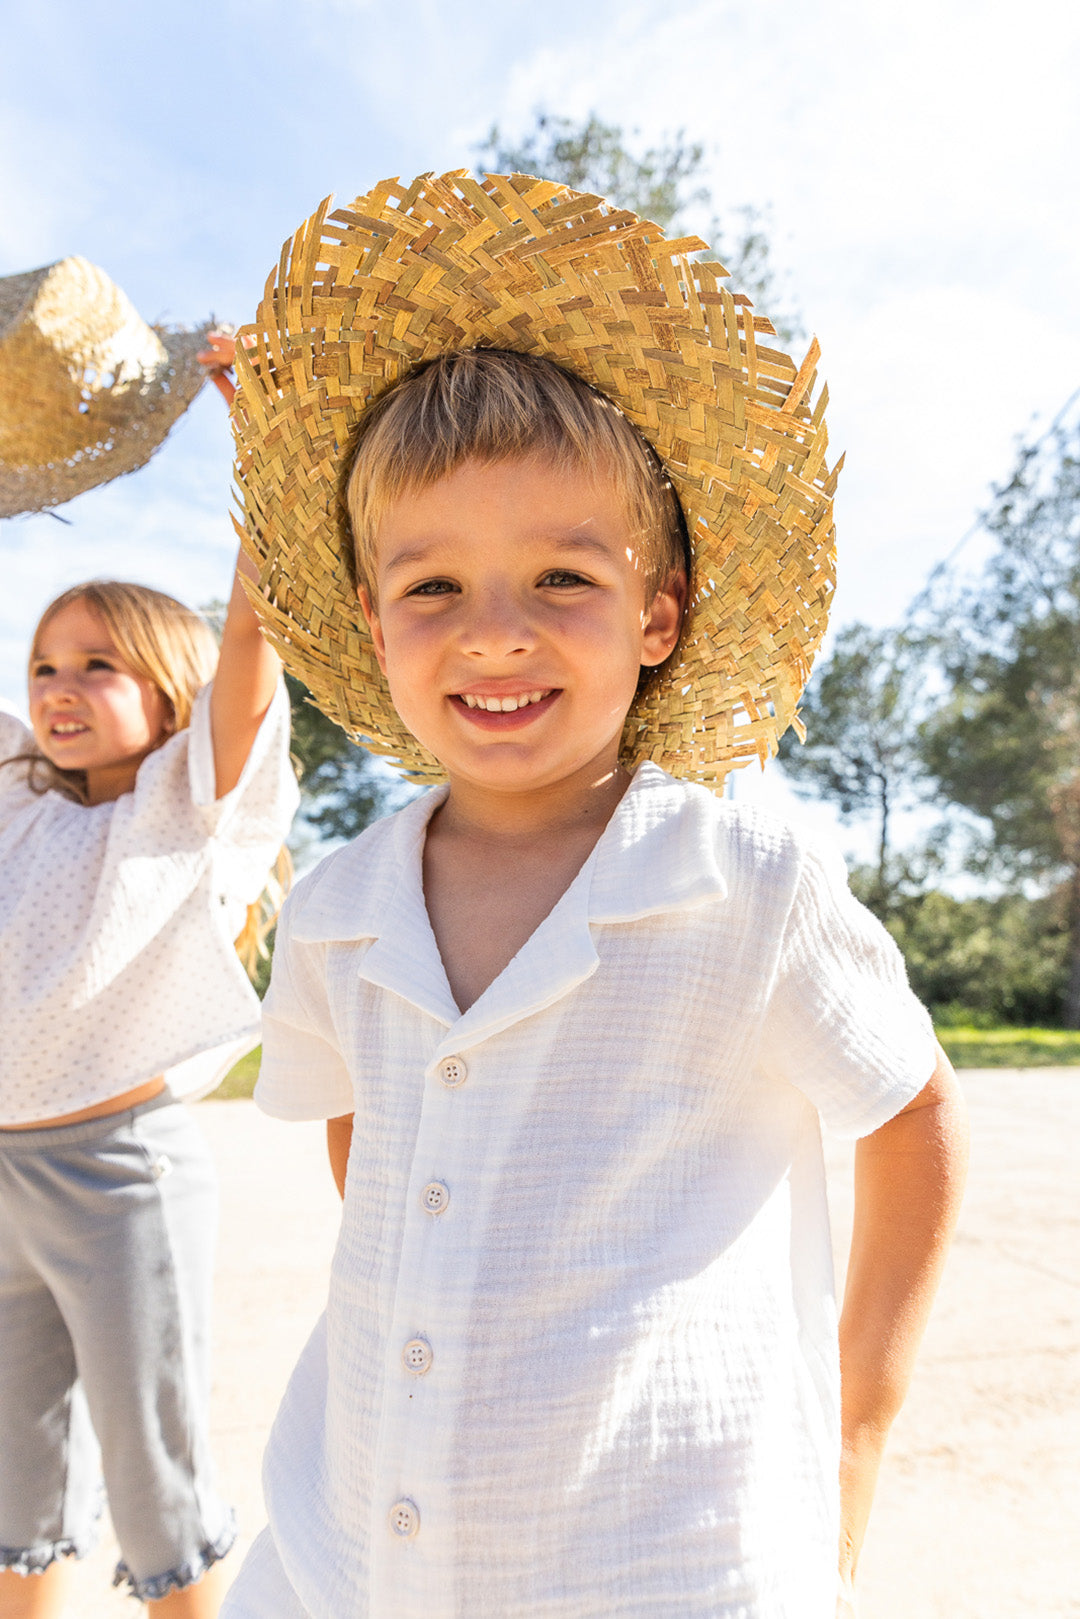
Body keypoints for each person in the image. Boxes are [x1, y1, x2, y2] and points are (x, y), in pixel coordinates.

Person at [221, 173, 968, 1619]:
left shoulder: (746, 886)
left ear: (659, 617)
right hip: (343, 1554)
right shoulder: (339, 906)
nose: (493, 632)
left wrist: (857, 1426)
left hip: (661, 1568)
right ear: (374, 628)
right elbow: (370, 1145)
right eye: (432, 587)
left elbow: (911, 1114)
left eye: (562, 574)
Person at [0, 551, 299, 1618]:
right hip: (4, 1181)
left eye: (96, 666)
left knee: (156, 1489)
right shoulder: (16, 795)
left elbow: (251, 650)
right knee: (17, 1488)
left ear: (172, 691)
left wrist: (259, 503)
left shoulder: (186, 804)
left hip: (122, 1178)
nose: (58, 689)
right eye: (42, 666)